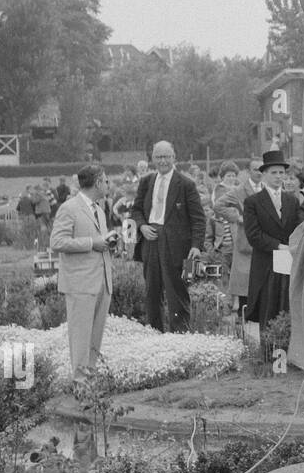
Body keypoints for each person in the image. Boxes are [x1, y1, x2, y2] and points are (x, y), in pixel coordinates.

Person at [49, 164, 116, 382]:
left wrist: (108, 243)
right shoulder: (69, 208)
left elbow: (99, 242)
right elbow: (57, 242)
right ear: (97, 182)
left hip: (102, 281)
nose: (108, 185)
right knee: (80, 336)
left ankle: (91, 379)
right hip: (80, 284)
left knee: (95, 336)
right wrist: (91, 243)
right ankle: (80, 383)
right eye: (106, 181)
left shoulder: (99, 209)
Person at [131, 141, 205, 332]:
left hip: (176, 245)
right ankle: (155, 334)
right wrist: (142, 227)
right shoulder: (146, 182)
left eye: (166, 156)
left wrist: (196, 246)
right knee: (151, 292)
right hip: (150, 241)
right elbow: (136, 210)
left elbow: (198, 218)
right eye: (158, 157)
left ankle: (180, 336)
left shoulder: (186, 184)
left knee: (176, 291)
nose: (162, 161)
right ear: (152, 159)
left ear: (174, 158)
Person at [243, 149, 304, 331]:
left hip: (287, 262)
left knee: (286, 305)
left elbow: (298, 228)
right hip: (266, 264)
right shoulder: (253, 202)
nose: (278, 176)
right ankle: (268, 353)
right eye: (273, 172)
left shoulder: (291, 201)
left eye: (281, 172)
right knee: (268, 308)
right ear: (264, 174)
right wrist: (278, 246)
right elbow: (253, 235)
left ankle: (286, 354)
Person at [219, 158, 262, 315]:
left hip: (266, 242)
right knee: (245, 285)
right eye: (255, 169)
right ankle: (244, 322)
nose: (258, 172)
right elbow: (218, 205)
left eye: (261, 169)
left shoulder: (268, 188)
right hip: (246, 242)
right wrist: (237, 217)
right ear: (249, 171)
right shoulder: (239, 190)